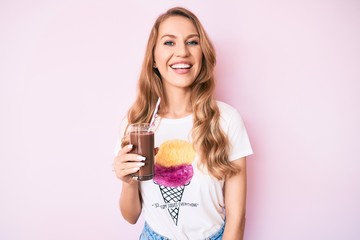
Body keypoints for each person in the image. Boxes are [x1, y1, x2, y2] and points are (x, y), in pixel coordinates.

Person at [113, 7, 253, 240]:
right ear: (154, 59)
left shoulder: (226, 120)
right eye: (169, 42)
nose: (182, 52)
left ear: (202, 55)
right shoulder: (136, 124)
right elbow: (131, 216)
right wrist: (127, 181)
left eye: (192, 42)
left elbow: (237, 218)